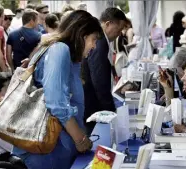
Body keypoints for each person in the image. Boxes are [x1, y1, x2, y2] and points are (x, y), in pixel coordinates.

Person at [12, 10, 103, 169]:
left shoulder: (67, 55)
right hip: (48, 149)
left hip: (56, 145)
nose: (94, 46)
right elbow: (56, 102)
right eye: (93, 39)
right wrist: (80, 140)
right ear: (81, 35)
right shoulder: (59, 50)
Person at [81, 7, 127, 135]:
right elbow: (99, 80)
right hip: (93, 105)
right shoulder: (100, 42)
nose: (120, 33)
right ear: (108, 24)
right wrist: (110, 110)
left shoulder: (102, 41)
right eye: (119, 28)